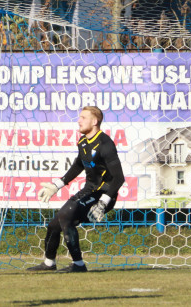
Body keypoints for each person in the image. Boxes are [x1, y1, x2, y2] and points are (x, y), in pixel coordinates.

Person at [28, 106, 124, 273]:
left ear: (94, 122)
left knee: (66, 215)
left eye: (83, 117)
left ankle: (78, 264)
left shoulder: (105, 144)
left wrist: (104, 201)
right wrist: (57, 185)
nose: (78, 121)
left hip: (104, 194)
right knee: (54, 225)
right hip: (89, 190)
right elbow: (78, 165)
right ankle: (49, 263)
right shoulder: (83, 142)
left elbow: (119, 178)